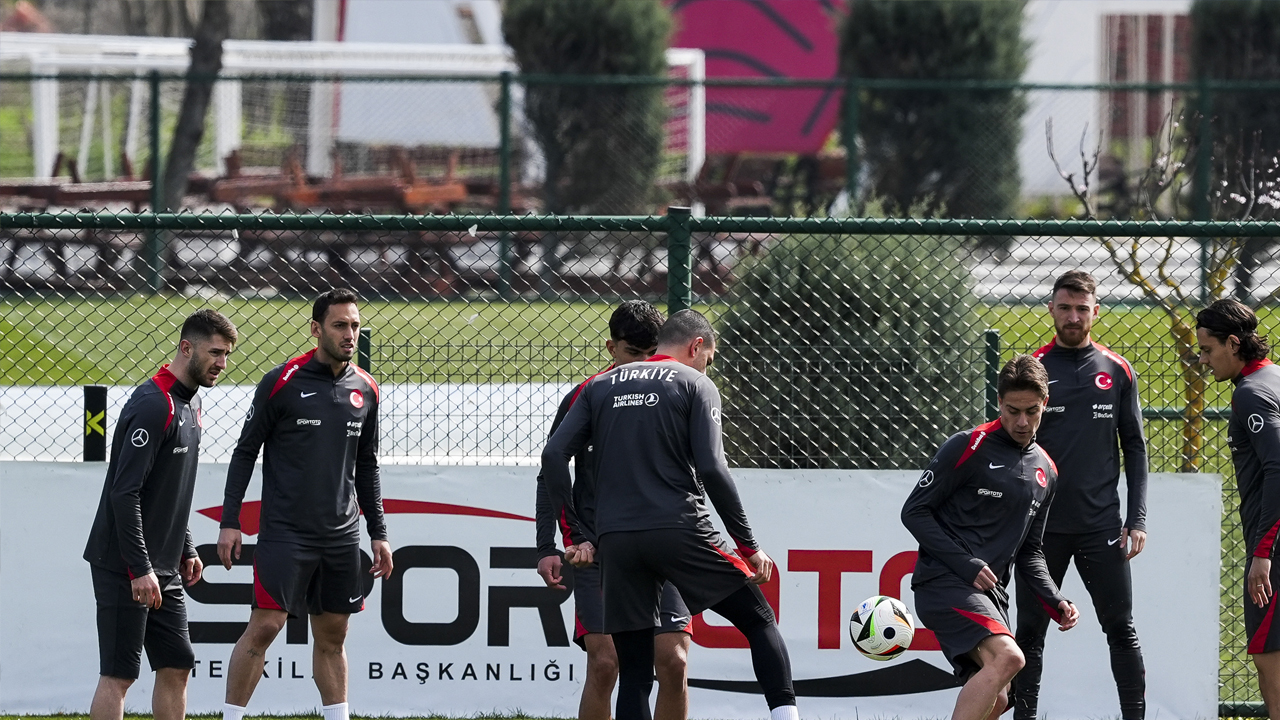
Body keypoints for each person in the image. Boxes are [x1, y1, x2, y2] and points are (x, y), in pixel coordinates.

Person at [542, 309, 798, 720]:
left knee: (636, 675)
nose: (706, 366)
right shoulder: (695, 382)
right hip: (679, 531)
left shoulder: (598, 386)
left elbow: (554, 455)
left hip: (616, 542)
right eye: (708, 358)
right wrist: (747, 545)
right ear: (696, 346)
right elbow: (713, 469)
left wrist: (573, 537)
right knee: (758, 619)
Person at [218, 289, 391, 720]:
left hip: (341, 535)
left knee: (333, 636)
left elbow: (367, 466)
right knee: (265, 627)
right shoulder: (281, 382)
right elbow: (244, 453)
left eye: (354, 325)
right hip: (285, 533)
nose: (349, 334)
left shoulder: (366, 388)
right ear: (316, 329)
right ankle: (231, 718)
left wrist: (379, 533)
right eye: (339, 325)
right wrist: (230, 520)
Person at [534, 300, 693, 720]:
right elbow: (549, 470)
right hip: (599, 551)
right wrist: (549, 544)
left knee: (674, 662)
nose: (639, 365)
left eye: (648, 354)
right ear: (610, 347)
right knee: (606, 664)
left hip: (661, 544)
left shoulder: (677, 391)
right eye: (630, 354)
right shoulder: (587, 395)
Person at [902, 355, 1080, 720]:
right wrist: (966, 564)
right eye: (1013, 410)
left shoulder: (1047, 469)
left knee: (997, 700)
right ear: (999, 403)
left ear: (1045, 403)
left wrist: (1055, 599)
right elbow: (914, 511)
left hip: (990, 596)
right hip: (944, 582)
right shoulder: (967, 446)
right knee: (1010, 657)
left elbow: (1030, 551)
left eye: (1032, 411)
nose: (1022, 421)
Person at [84, 309, 238, 720]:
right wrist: (139, 568)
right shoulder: (154, 404)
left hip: (164, 567)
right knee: (119, 675)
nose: (222, 364)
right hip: (125, 565)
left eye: (227, 355)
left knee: (177, 664)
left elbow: (168, 492)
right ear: (186, 348)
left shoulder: (192, 403)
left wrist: (186, 547)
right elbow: (125, 491)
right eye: (215, 353)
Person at [1015, 270, 1148, 720]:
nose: (1073, 316)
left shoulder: (1117, 369)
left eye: (1081, 308)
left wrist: (1138, 518)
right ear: (1050, 308)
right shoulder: (1031, 368)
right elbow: (1009, 443)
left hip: (1100, 528)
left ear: (1096, 311)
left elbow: (1135, 446)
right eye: (1065, 307)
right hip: (1040, 532)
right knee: (1029, 633)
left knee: (1121, 629)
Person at [1196, 298, 1280, 717]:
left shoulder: (1251, 393)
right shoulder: (1276, 378)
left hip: (1274, 550)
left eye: (1208, 350)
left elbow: (1279, 468)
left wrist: (1262, 553)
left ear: (1233, 343)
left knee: (1271, 663)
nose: (1203, 360)